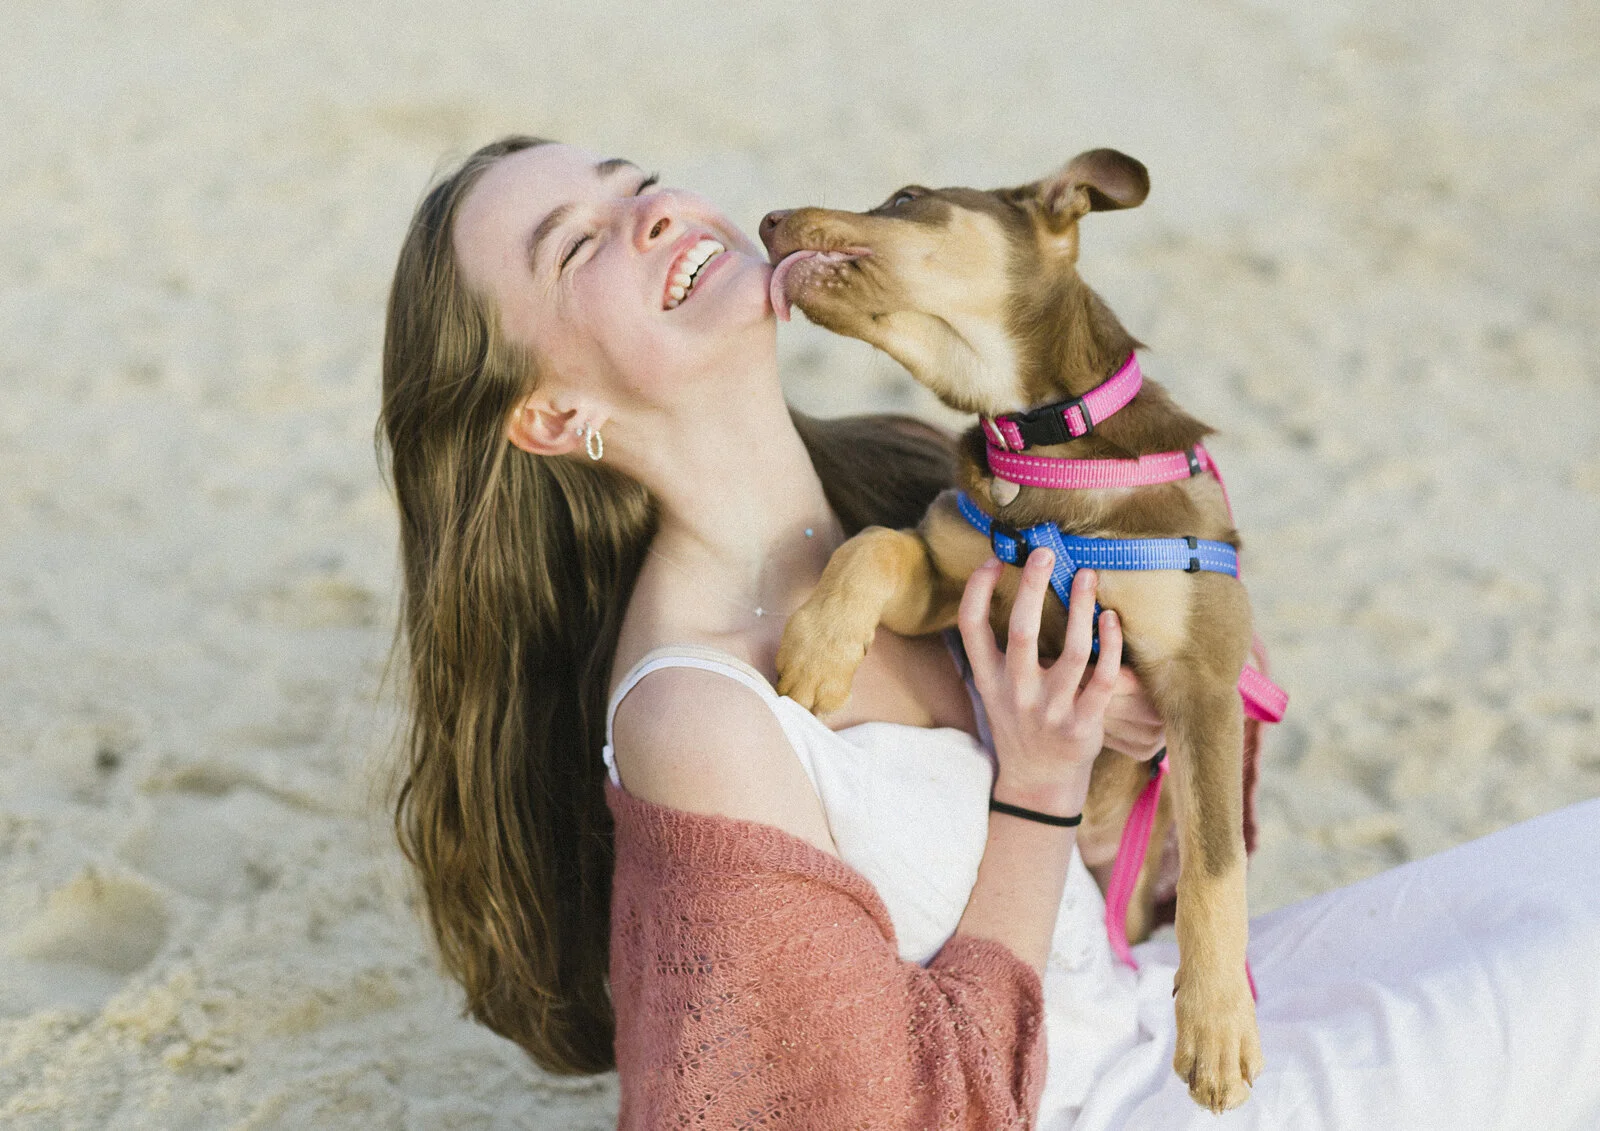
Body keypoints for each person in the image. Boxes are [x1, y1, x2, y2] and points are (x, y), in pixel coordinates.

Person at [378, 136, 1600, 1129]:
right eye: (578, 243)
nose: (647, 212)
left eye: (635, 181)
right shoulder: (698, 713)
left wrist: (1142, 710)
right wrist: (1038, 789)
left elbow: (1157, 840)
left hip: (1145, 1009)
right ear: (551, 414)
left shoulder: (921, 484)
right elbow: (875, 1108)